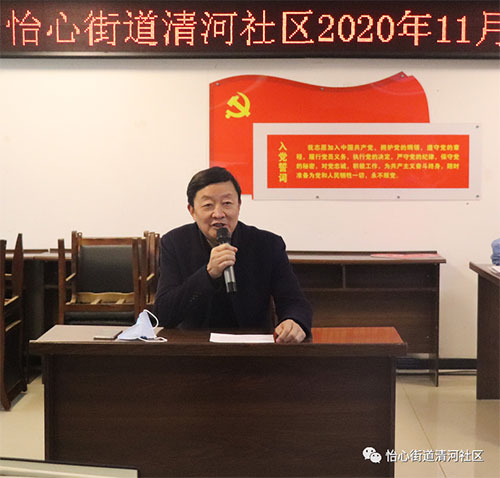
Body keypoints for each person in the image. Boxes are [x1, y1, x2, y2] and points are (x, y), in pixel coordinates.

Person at [154, 167, 312, 343]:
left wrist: (294, 321)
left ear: (239, 206)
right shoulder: (175, 243)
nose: (219, 214)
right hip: (195, 346)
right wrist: (208, 274)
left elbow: (294, 301)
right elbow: (164, 313)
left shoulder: (268, 244)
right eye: (208, 205)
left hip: (254, 345)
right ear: (192, 211)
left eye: (227, 203)